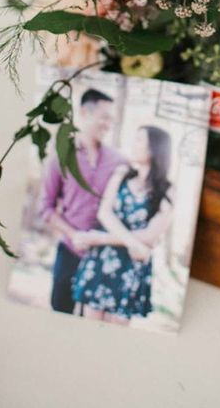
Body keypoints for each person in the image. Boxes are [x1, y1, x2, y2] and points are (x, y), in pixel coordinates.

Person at [71, 125, 174, 324]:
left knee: (116, 331)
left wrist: (99, 238)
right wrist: (133, 243)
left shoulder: (167, 191)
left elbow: (149, 235)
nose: (134, 145)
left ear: (154, 148)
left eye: (139, 140)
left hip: (130, 267)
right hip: (103, 259)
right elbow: (105, 213)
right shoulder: (122, 175)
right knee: (88, 325)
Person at [40, 87, 125, 314]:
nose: (108, 124)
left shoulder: (118, 161)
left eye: (111, 120)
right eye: (104, 117)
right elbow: (45, 208)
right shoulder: (60, 156)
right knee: (60, 309)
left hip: (105, 255)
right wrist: (73, 234)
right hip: (70, 250)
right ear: (85, 113)